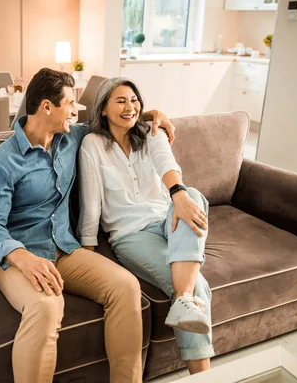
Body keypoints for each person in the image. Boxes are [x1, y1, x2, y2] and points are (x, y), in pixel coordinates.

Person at [0, 68, 175, 383]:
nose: (75, 110)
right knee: (46, 308)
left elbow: (112, 117)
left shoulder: (73, 137)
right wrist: (25, 259)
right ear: (45, 107)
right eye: (69, 103)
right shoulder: (1, 161)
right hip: (17, 258)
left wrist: (151, 114)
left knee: (126, 287)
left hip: (65, 248)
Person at [77, 77, 214, 375]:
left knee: (192, 196)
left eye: (135, 100)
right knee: (198, 285)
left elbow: (167, 163)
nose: (131, 107)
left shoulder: (151, 133)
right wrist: (88, 250)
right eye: (121, 101)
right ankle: (204, 376)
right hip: (131, 235)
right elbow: (91, 204)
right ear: (103, 109)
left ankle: (184, 299)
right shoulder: (92, 145)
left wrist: (178, 194)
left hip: (168, 218)